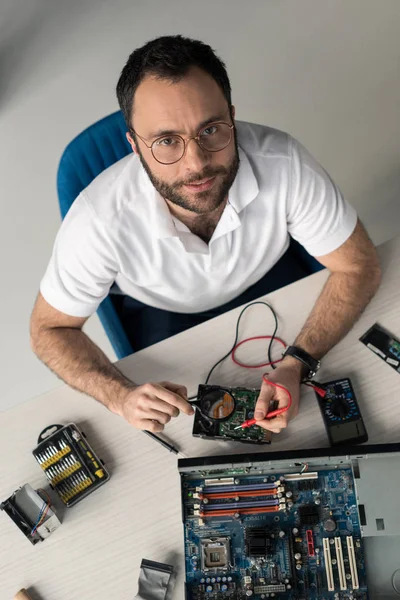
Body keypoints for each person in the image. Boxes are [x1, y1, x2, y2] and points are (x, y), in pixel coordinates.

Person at [30, 35, 381, 437]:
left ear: (232, 116)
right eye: (166, 141)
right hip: (163, 309)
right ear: (134, 145)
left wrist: (297, 363)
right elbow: (48, 330)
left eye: (211, 130)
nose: (195, 165)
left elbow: (360, 264)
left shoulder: (284, 162)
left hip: (268, 274)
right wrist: (119, 396)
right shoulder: (96, 219)